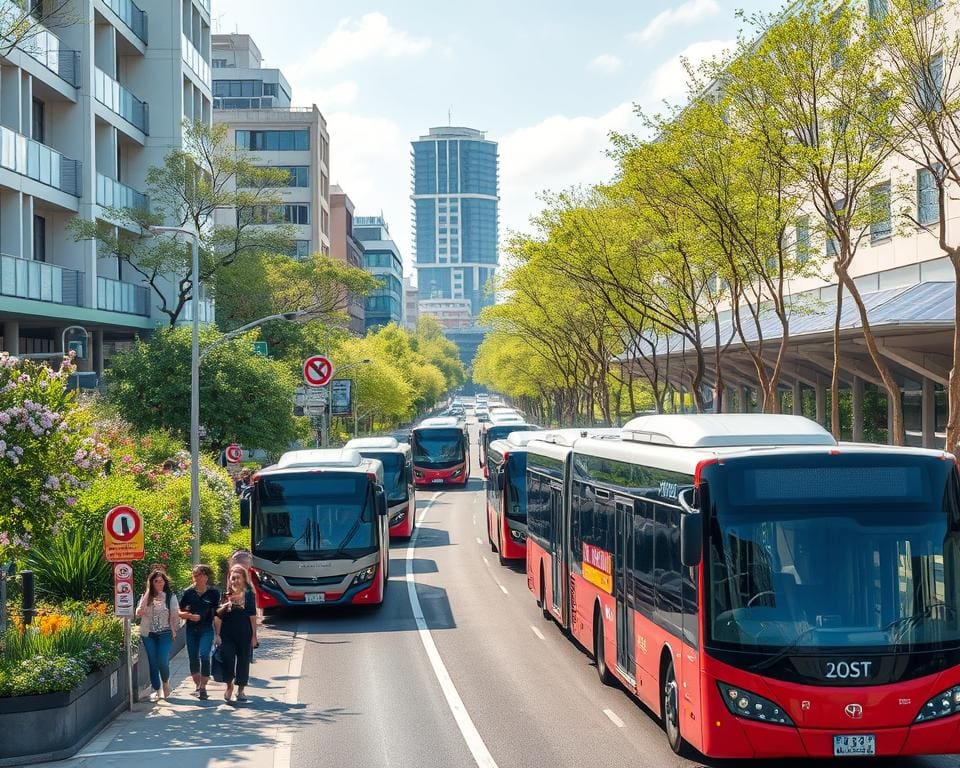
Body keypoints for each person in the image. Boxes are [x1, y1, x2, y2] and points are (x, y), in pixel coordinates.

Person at [214, 565, 257, 703]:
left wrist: (254, 636)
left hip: (244, 632)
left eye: (238, 578)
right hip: (227, 632)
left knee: (243, 660)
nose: (235, 581)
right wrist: (218, 635)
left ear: (244, 579)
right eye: (233, 578)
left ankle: (241, 690)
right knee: (227, 658)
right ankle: (229, 685)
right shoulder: (225, 595)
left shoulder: (249, 594)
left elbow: (252, 616)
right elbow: (218, 616)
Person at [135, 569, 179, 701]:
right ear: (151, 583)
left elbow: (175, 615)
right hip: (148, 633)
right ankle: (156, 688)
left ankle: (165, 682)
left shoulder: (170, 597)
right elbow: (138, 613)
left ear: (165, 582)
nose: (159, 583)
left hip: (165, 632)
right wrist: (148, 592)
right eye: (156, 581)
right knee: (153, 662)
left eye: (161, 581)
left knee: (162, 659)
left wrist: (174, 629)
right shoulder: (145, 596)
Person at [178, 564, 219, 700]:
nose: (195, 578)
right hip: (191, 630)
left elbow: (217, 614)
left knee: (204, 655)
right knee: (193, 657)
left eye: (198, 575)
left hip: (207, 629)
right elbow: (179, 611)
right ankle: (197, 685)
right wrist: (189, 616)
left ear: (206, 577)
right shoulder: (188, 593)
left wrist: (218, 634)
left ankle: (203, 687)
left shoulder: (213, 593)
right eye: (194, 575)